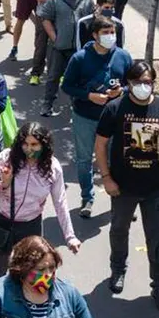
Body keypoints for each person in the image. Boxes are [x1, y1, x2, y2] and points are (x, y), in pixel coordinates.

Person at [95, 61, 159, 312]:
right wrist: (106, 177)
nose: (143, 87)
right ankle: (118, 269)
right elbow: (101, 144)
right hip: (122, 187)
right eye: (138, 82)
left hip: (156, 189)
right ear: (128, 84)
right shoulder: (115, 108)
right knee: (119, 229)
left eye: (148, 82)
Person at [0, 124, 81, 281]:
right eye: (25, 144)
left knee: (25, 274)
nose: (29, 149)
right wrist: (2, 184)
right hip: (1, 222)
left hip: (29, 227)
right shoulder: (6, 158)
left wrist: (70, 236)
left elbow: (60, 203)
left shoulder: (53, 168)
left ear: (44, 145)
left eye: (34, 144)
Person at [62, 15, 133, 217]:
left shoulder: (123, 56)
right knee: (84, 159)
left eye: (113, 33)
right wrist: (89, 96)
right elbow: (67, 86)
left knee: (115, 158)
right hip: (85, 117)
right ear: (94, 35)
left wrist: (121, 92)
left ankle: (118, 199)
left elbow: (131, 84)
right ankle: (87, 197)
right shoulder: (80, 58)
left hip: (113, 119)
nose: (110, 36)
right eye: (106, 33)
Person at [40, 0, 94, 117]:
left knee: (78, 79)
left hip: (78, 49)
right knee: (53, 77)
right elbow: (45, 18)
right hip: (59, 47)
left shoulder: (87, 0)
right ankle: (47, 104)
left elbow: (92, 20)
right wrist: (54, 37)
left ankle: (76, 106)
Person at [29, 0, 68, 83]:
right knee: (41, 46)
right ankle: (36, 74)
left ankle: (59, 73)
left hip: (60, 17)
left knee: (60, 46)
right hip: (43, 17)